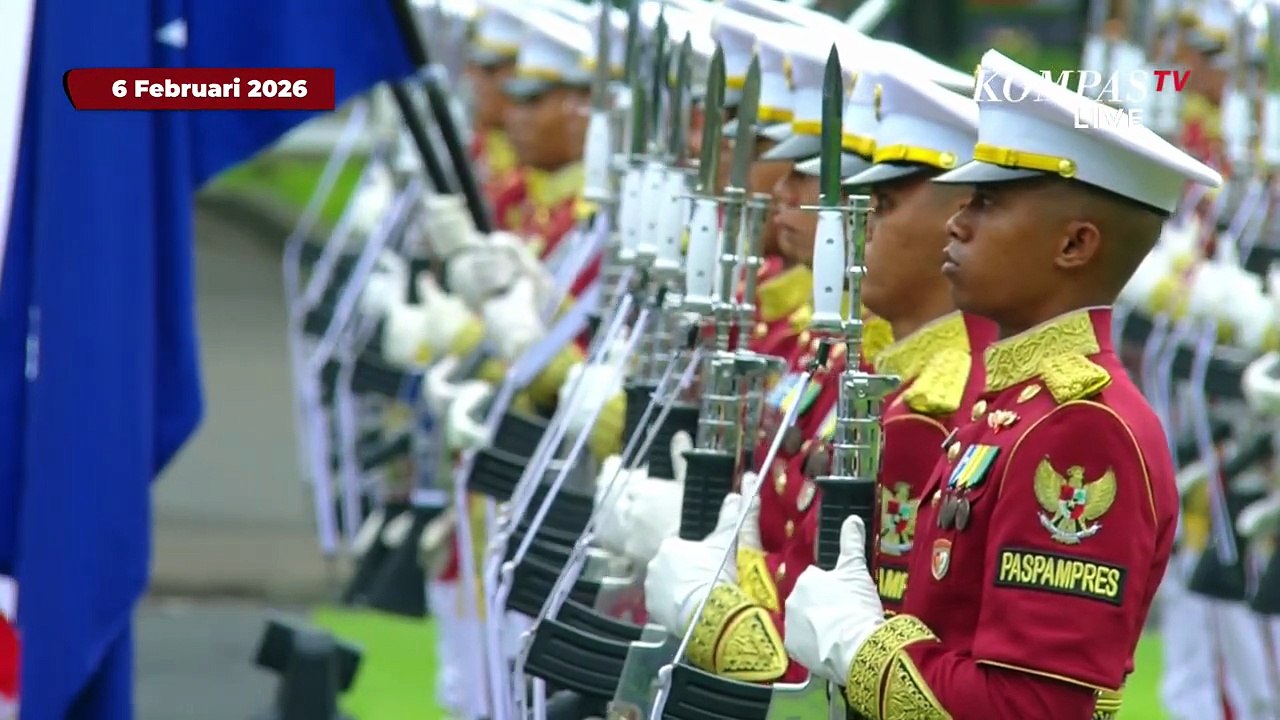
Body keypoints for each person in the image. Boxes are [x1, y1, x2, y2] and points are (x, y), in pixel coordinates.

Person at [781, 49, 1222, 720]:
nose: (957, 222)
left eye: (987, 202)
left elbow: (1031, 704)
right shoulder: (1012, 407)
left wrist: (861, 643)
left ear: (1074, 245)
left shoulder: (1081, 430)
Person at [642, 57, 996, 684]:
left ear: (959, 219)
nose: (847, 219)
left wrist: (718, 609)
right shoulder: (876, 368)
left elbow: (864, 647)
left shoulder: (934, 405)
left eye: (878, 203)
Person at [465, 0, 523, 202]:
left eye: (489, 69)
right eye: (473, 65)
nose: (472, 76)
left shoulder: (532, 170)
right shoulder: (476, 147)